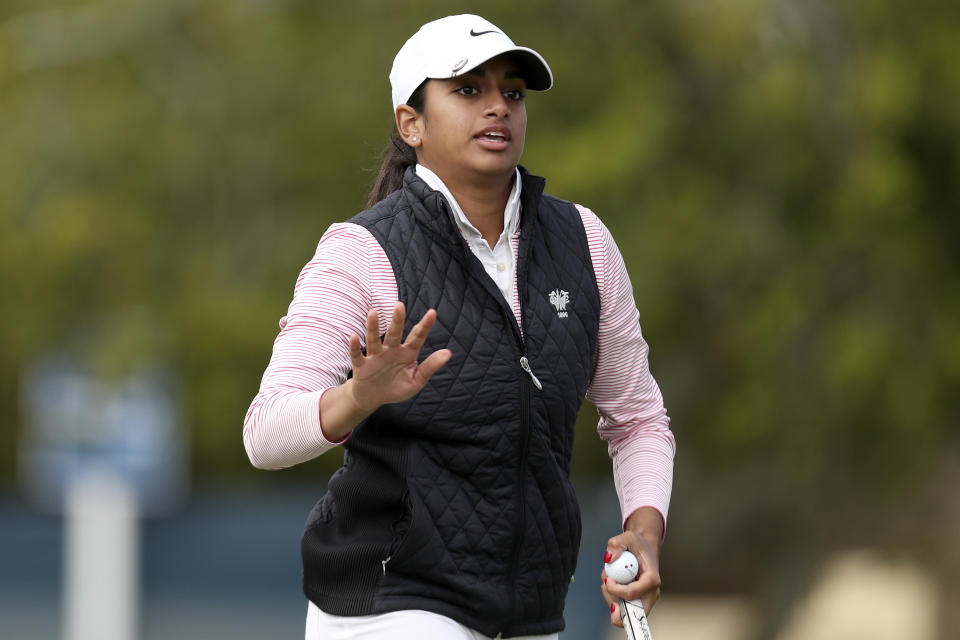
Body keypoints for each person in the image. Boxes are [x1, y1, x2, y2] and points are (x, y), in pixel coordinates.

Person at [243, 14, 675, 640]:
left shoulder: (586, 244)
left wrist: (646, 529)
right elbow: (266, 432)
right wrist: (358, 397)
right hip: (391, 604)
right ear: (409, 123)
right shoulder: (360, 254)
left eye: (513, 93)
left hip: (530, 610)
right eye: (469, 90)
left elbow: (637, 419)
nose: (498, 107)